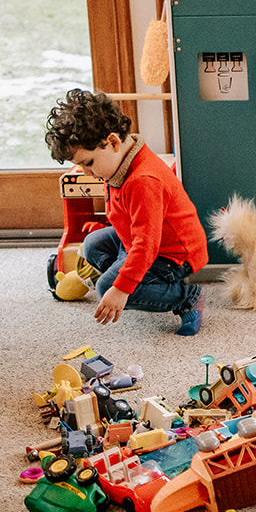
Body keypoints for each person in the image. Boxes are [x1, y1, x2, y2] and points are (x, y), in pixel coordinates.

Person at [44, 89, 208, 336]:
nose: (86, 172)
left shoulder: (143, 181)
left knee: (107, 286)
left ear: (112, 142)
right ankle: (140, 279)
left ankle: (186, 297)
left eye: (88, 163)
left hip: (172, 254)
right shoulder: (118, 161)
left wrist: (121, 288)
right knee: (92, 245)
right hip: (134, 240)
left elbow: (147, 245)